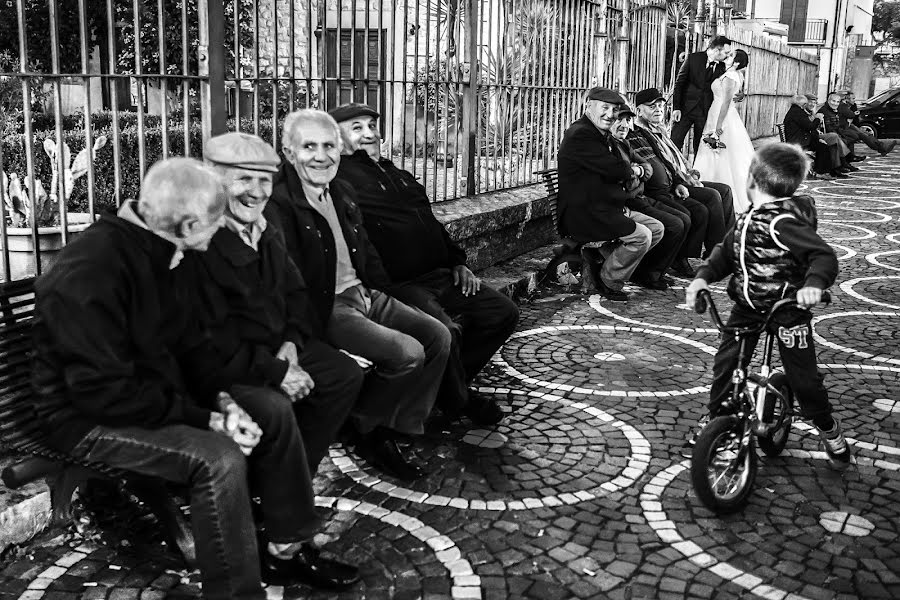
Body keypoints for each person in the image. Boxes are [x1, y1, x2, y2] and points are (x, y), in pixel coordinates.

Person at [31, 158, 359, 599]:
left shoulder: (167, 247)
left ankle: (286, 547)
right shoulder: (90, 271)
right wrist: (205, 419)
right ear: (186, 224)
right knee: (217, 458)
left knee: (271, 411)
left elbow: (193, 344)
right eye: (212, 225)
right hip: (85, 418)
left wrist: (222, 401)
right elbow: (102, 392)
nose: (214, 238)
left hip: (153, 393)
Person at [266, 109, 451, 481]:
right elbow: (285, 278)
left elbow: (363, 250)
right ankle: (369, 429)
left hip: (365, 293)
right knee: (408, 353)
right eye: (309, 147)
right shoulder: (278, 204)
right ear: (288, 152)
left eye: (329, 146)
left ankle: (395, 423)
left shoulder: (340, 190)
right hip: (326, 306)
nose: (322, 156)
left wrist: (386, 290)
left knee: (439, 337)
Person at [176, 131, 364, 474]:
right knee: (274, 406)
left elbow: (296, 292)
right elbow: (211, 337)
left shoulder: (263, 227)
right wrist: (277, 369)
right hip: (226, 363)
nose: (257, 191)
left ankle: (294, 474)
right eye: (244, 178)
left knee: (343, 375)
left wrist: (292, 342)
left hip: (274, 347)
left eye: (264, 180)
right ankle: (264, 487)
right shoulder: (199, 238)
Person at [329, 102, 518, 426]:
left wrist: (458, 262)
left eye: (372, 126)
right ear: (338, 137)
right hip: (400, 284)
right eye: (356, 128)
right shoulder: (340, 178)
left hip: (441, 274)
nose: (369, 133)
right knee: (445, 330)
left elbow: (430, 223)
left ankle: (440, 387)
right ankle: (458, 399)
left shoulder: (398, 174)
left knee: (502, 313)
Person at [685, 143, 852, 470]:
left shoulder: (783, 223)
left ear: (751, 180)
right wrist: (702, 278)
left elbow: (823, 256)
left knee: (804, 381)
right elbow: (724, 252)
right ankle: (717, 418)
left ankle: (828, 429)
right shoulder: (747, 218)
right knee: (727, 364)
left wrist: (813, 285)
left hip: (788, 310)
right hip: (747, 307)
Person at [557, 87, 663, 301]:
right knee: (642, 237)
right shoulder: (581, 134)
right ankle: (609, 279)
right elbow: (617, 169)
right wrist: (633, 170)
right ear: (589, 106)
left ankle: (605, 263)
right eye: (604, 108)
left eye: (615, 110)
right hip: (585, 213)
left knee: (657, 228)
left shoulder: (600, 133)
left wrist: (630, 170)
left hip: (606, 206)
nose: (610, 115)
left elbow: (617, 169)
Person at [630, 87, 734, 270]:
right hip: (663, 188)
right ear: (638, 110)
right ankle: (712, 253)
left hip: (677, 180)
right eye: (652, 106)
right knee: (711, 197)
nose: (659, 109)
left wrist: (688, 173)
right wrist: (681, 180)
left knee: (725, 190)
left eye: (661, 105)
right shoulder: (638, 133)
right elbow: (658, 165)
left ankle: (722, 248)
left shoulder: (658, 129)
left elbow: (674, 157)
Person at [610, 106, 684, 289]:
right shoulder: (609, 145)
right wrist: (636, 175)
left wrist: (638, 171)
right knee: (674, 225)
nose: (624, 125)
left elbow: (647, 167)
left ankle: (656, 271)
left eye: (628, 120)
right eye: (619, 119)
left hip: (640, 196)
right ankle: (646, 273)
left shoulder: (625, 143)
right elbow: (623, 180)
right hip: (630, 201)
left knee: (682, 219)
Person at [692, 49, 755, 214]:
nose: (727, 56)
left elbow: (727, 101)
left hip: (721, 115)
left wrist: (718, 125)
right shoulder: (734, 75)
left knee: (716, 149)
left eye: (731, 55)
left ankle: (715, 184)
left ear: (738, 61)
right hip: (722, 112)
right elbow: (736, 97)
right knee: (721, 151)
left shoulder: (730, 75)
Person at [671, 35, 732, 154]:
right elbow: (679, 84)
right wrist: (676, 108)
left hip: (706, 113)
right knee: (675, 142)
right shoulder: (693, 58)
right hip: (685, 110)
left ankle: (696, 170)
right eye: (726, 52)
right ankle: (674, 170)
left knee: (701, 148)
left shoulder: (723, 67)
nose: (727, 55)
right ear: (716, 50)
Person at [782, 94, 848, 180]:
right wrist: (818, 118)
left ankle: (834, 169)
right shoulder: (797, 113)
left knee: (828, 144)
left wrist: (818, 139)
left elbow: (808, 129)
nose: (806, 105)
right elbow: (810, 127)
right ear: (801, 104)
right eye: (805, 103)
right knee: (824, 147)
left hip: (801, 139)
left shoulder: (796, 111)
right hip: (798, 141)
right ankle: (822, 172)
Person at [820, 91, 896, 159]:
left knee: (863, 133)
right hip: (842, 127)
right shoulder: (841, 106)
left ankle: (881, 146)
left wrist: (852, 110)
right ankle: (881, 147)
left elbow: (852, 116)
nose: (854, 100)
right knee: (860, 134)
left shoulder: (846, 106)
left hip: (845, 125)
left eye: (838, 101)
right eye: (852, 98)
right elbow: (850, 115)